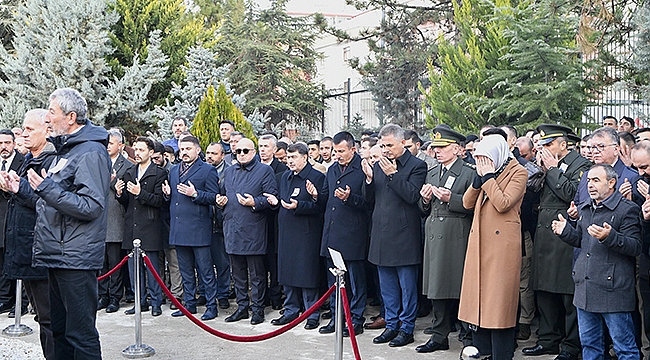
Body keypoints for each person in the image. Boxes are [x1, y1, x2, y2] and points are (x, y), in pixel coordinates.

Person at [10, 88, 110, 359]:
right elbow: (51, 200)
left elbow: (91, 206)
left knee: (80, 335)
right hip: (57, 255)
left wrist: (47, 189)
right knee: (60, 332)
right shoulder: (67, 151)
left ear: (71, 117)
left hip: (75, 258)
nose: (48, 119)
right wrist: (24, 188)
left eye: (52, 113)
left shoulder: (90, 152)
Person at [552, 164, 641, 360]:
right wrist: (566, 231)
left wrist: (610, 237)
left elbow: (635, 247)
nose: (590, 185)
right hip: (585, 287)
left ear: (611, 183)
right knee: (589, 346)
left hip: (613, 289)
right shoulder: (585, 207)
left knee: (624, 348)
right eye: (588, 180)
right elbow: (582, 241)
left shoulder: (627, 209)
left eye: (596, 180)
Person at [524, 125, 590, 360]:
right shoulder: (546, 165)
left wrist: (552, 169)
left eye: (549, 145)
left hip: (565, 233)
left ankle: (571, 345)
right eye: (541, 145)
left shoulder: (580, 165)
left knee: (566, 291)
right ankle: (548, 339)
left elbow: (573, 193)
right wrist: (542, 172)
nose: (544, 150)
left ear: (563, 144)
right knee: (544, 289)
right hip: (545, 231)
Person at [459, 132, 528, 360]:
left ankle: (501, 354)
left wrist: (488, 177)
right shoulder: (485, 173)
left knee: (499, 307)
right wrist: (478, 181)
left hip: (502, 247)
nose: (481, 163)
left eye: (485, 158)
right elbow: (466, 203)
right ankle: (482, 352)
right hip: (480, 243)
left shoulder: (519, 171)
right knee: (478, 303)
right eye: (478, 158)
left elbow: (503, 203)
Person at [362, 124, 427, 347]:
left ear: (402, 142)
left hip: (404, 235)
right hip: (381, 234)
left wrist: (394, 175)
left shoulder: (417, 166)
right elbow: (370, 200)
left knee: (407, 287)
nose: (385, 149)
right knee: (387, 286)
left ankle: (406, 328)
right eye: (382, 145)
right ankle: (391, 325)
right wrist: (369, 179)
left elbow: (412, 197)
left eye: (389, 145)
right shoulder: (380, 165)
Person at [1, 109, 57, 359]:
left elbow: (49, 203)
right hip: (28, 249)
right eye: (23, 129)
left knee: (50, 319)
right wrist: (9, 187)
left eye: (29, 129)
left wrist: (19, 187)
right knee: (43, 318)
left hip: (43, 249)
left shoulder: (52, 161)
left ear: (47, 129)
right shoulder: (29, 159)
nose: (23, 134)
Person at [416, 126, 475, 353]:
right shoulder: (432, 172)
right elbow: (424, 208)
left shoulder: (468, 172)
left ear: (457, 149)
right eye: (435, 148)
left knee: (460, 285)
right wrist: (423, 199)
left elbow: (474, 206)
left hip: (456, 232)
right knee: (436, 286)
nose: (437, 151)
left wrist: (453, 199)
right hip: (434, 231)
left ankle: (468, 334)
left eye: (442, 147)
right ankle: (439, 334)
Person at [315, 131, 371, 337]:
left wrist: (350, 198)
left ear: (353, 149)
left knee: (355, 281)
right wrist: (314, 196)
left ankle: (355, 319)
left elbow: (369, 203)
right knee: (333, 281)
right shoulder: (331, 170)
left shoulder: (362, 169)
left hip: (353, 233)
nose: (337, 155)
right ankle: (336, 317)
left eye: (341, 151)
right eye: (334, 151)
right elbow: (326, 198)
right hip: (332, 232)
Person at [218, 138, 278, 325]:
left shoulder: (264, 171)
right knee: (238, 274)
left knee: (257, 274)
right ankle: (242, 307)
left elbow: (272, 198)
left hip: (254, 230)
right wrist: (220, 202)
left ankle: (258, 309)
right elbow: (223, 194)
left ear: (254, 152)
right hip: (232, 229)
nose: (242, 154)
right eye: (238, 151)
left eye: (246, 150)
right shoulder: (229, 171)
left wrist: (255, 203)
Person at [164, 136, 220, 321]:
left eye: (188, 148)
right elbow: (174, 200)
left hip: (198, 229)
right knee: (185, 271)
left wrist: (195, 194)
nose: (184, 152)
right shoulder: (173, 171)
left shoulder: (207, 170)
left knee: (205, 271)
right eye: (182, 149)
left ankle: (211, 306)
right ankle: (189, 305)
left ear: (198, 150)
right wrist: (167, 195)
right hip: (179, 228)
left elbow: (214, 197)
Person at [271, 143, 325, 330]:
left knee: (306, 273)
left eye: (293, 157)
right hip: (286, 232)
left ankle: (311, 313)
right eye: (288, 157)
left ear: (305, 157)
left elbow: (321, 207)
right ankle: (291, 310)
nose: (290, 161)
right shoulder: (285, 177)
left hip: (306, 233)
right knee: (287, 272)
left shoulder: (316, 177)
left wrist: (301, 205)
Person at [116, 137, 168, 317]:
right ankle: (140, 301)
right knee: (133, 268)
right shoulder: (130, 171)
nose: (137, 153)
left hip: (150, 225)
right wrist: (119, 193)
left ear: (151, 152)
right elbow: (126, 203)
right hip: (132, 225)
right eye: (135, 149)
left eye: (141, 150)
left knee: (152, 268)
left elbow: (160, 201)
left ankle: (156, 302)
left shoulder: (159, 173)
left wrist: (141, 193)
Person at [98, 129, 131, 314]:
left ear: (120, 145)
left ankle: (115, 297)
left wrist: (111, 181)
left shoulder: (126, 166)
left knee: (115, 262)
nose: (107, 146)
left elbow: (124, 193)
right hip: (98, 219)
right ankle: (102, 295)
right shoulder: (99, 162)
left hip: (116, 219)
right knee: (100, 262)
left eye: (110, 143)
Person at [258, 134, 288, 310]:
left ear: (274, 150)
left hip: (274, 223)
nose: (262, 149)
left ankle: (276, 297)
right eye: (260, 146)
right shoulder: (253, 168)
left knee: (274, 263)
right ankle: (263, 298)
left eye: (266, 146)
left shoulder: (282, 170)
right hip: (256, 222)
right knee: (259, 264)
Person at [0, 128, 26, 316]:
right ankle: (4, 299)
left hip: (15, 218)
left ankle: (19, 303)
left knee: (16, 259)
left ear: (14, 144)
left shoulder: (23, 162)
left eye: (7, 143)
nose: (3, 147)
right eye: (0, 144)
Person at [205, 142, 231, 309]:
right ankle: (207, 294)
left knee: (222, 263)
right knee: (205, 263)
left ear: (222, 155)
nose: (210, 156)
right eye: (208, 153)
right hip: (204, 222)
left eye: (214, 153)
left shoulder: (229, 172)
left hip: (221, 223)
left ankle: (223, 294)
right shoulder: (202, 170)